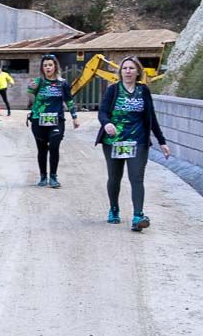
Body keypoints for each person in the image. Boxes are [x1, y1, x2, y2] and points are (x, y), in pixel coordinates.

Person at [96, 56, 172, 231]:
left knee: (136, 178)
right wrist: (107, 123)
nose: (128, 71)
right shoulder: (113, 90)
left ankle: (138, 216)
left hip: (137, 141)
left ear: (138, 71)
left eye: (131, 68)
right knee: (115, 178)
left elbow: (151, 116)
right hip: (114, 141)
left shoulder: (143, 91)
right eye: (125, 68)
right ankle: (114, 209)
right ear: (120, 71)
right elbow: (103, 112)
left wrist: (162, 142)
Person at [27, 54, 79, 189]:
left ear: (55, 66)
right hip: (39, 120)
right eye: (45, 65)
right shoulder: (39, 82)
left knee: (54, 147)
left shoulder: (63, 83)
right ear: (42, 68)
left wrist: (74, 117)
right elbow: (30, 90)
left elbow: (69, 101)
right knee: (42, 149)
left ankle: (53, 176)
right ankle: (43, 176)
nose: (48, 68)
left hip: (56, 121)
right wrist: (31, 86)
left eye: (50, 65)